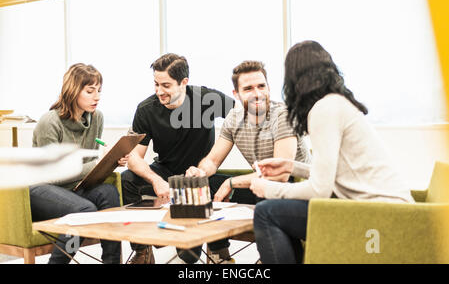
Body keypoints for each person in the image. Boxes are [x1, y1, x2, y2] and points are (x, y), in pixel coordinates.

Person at [249, 40, 415, 264]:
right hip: (394, 212)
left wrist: (268, 188)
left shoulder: (324, 109)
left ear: (294, 78)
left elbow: (320, 190)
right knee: (275, 212)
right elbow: (341, 171)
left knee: (265, 212)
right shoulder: (336, 104)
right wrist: (291, 166)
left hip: (381, 217)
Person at [121, 53, 234, 264]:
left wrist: (215, 156)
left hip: (201, 176)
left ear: (184, 83)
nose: (159, 91)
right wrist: (156, 180)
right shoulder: (146, 109)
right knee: (128, 178)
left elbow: (242, 117)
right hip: (165, 173)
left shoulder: (208, 99)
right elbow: (134, 157)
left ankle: (220, 251)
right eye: (156, 84)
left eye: (166, 85)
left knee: (189, 256)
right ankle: (142, 251)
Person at [30, 63, 127, 264]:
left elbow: (89, 166)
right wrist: (98, 163)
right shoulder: (49, 122)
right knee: (85, 211)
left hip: (73, 189)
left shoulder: (96, 118)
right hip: (42, 189)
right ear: (73, 91)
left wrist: (111, 162)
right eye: (90, 91)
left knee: (109, 193)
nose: (97, 97)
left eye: (99, 91)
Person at [186, 60, 311, 204]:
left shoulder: (283, 116)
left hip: (295, 186)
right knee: (208, 182)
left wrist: (230, 182)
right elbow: (212, 161)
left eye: (261, 86)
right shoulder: (234, 118)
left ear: (268, 88)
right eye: (248, 89)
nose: (257, 94)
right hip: (263, 184)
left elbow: (281, 175)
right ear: (236, 94)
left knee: (262, 189)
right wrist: (200, 172)